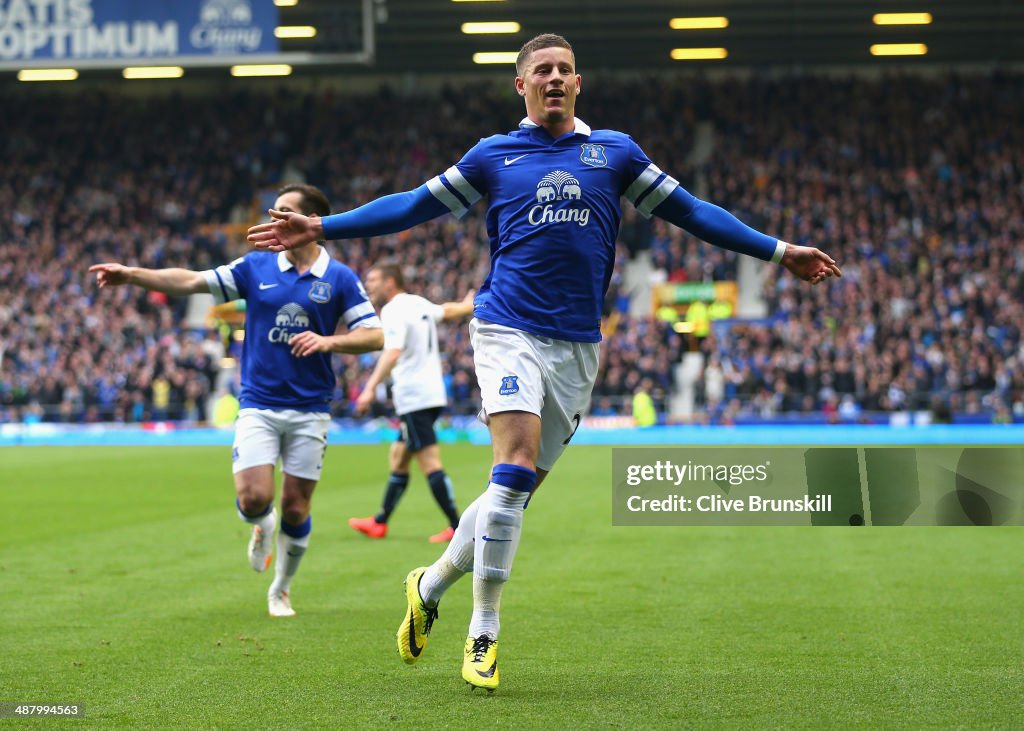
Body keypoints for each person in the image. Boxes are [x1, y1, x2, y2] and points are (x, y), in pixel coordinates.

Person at [247, 34, 841, 690]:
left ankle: (431, 581)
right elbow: (413, 205)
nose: (553, 78)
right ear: (521, 86)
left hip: (577, 347)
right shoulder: (493, 156)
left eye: (563, 70)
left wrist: (778, 249)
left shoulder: (614, 153)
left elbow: (692, 212)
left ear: (578, 83)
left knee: (512, 493)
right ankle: (484, 632)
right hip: (505, 327)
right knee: (512, 466)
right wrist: (325, 228)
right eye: (541, 71)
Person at [91, 184, 383, 618]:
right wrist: (133, 274)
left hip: (311, 408)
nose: (275, 218)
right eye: (275, 211)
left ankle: (280, 589)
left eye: (285, 212)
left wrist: (328, 342)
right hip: (259, 404)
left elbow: (374, 335)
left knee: (298, 505)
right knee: (252, 498)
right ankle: (261, 524)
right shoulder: (256, 267)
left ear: (311, 223)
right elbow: (191, 281)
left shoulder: (338, 278)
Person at [348, 263, 475, 543]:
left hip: (415, 396)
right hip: (429, 393)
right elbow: (447, 311)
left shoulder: (393, 310)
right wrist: (467, 306)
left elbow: (393, 352)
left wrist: (369, 389)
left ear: (390, 281)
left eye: (373, 279)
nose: (368, 285)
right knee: (399, 455)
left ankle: (458, 527)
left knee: (430, 462)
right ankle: (380, 521)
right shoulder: (418, 303)